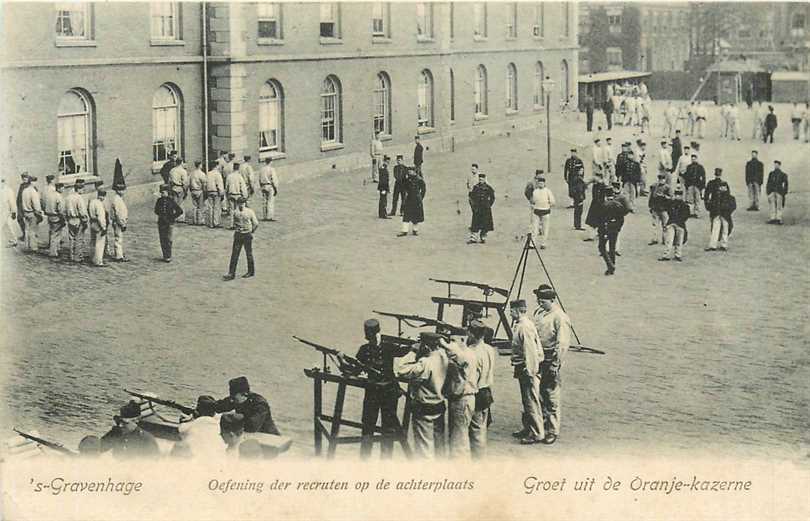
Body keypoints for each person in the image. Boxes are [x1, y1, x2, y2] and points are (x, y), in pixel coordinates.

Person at [342, 319, 410, 458]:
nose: (371, 339)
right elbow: (354, 369)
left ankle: (384, 461)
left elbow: (404, 351)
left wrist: (414, 346)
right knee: (368, 426)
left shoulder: (386, 347)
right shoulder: (366, 349)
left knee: (387, 428)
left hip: (388, 392)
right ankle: (365, 460)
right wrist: (341, 360)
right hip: (373, 392)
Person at [395, 332, 449, 458]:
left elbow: (401, 370)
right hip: (439, 405)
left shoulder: (425, 363)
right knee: (439, 447)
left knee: (424, 448)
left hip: (424, 408)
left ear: (426, 346)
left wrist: (413, 351)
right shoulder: (443, 356)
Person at [532, 285, 571, 445]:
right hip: (538, 356)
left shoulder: (560, 317)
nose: (540, 303)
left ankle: (552, 430)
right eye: (539, 300)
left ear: (552, 300)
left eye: (543, 300)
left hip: (550, 358)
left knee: (551, 395)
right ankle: (536, 426)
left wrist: (556, 364)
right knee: (536, 392)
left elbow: (562, 344)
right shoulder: (540, 312)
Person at [439, 327, 478, 458]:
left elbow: (454, 352)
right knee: (457, 436)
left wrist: (441, 342)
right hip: (462, 398)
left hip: (463, 399)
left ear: (463, 340)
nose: (451, 344)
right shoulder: (468, 353)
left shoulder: (465, 355)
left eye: (453, 340)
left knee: (458, 441)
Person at [509, 299, 545, 445]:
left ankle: (537, 433)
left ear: (518, 311)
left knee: (531, 401)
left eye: (511, 311)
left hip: (528, 368)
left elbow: (530, 351)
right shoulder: (522, 324)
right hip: (523, 367)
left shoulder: (524, 327)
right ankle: (528, 427)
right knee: (527, 400)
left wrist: (530, 372)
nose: (510, 313)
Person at [214, 376, 281, 435]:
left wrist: (233, 418)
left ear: (245, 394)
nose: (231, 400)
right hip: (253, 435)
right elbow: (219, 407)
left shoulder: (260, 404)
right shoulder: (237, 398)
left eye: (234, 398)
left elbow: (252, 426)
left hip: (269, 436)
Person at [467, 320, 495, 459]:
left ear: (472, 334)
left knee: (475, 430)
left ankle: (477, 461)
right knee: (481, 427)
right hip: (487, 391)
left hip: (477, 392)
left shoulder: (472, 352)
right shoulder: (489, 349)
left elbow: (472, 379)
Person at [223, 197, 258, 280]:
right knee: (236, 254)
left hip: (245, 234)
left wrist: (251, 231)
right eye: (240, 203)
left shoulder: (248, 212)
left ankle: (250, 271)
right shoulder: (237, 212)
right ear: (238, 204)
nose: (241, 205)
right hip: (240, 234)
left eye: (242, 203)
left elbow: (256, 223)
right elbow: (233, 223)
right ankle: (232, 273)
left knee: (247, 253)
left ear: (245, 203)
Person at [599, 183, 630, 275]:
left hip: (606, 228)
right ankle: (612, 265)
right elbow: (622, 218)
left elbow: (601, 219)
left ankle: (610, 265)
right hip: (615, 228)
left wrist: (602, 230)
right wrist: (618, 227)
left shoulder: (604, 205)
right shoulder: (618, 205)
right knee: (612, 247)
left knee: (602, 248)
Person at [659, 186, 690, 262]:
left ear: (681, 196)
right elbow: (665, 207)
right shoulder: (671, 203)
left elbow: (686, 216)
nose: (677, 197)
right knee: (669, 240)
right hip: (672, 223)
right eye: (676, 195)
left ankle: (678, 255)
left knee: (679, 241)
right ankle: (666, 255)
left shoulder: (685, 205)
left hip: (680, 224)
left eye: (679, 195)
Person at [154, 184, 183, 262]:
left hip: (169, 223)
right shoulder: (159, 201)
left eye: (164, 192)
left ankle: (168, 255)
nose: (162, 194)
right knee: (162, 239)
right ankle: (165, 255)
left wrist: (172, 217)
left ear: (168, 192)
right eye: (161, 192)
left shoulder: (171, 201)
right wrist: (161, 214)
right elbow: (156, 210)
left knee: (168, 239)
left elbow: (179, 211)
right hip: (161, 223)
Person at [526, 172, 555, 249]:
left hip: (545, 212)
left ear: (544, 183)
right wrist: (534, 205)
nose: (541, 184)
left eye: (542, 183)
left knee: (545, 229)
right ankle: (532, 244)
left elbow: (552, 201)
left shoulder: (548, 191)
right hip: (537, 212)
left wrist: (547, 205)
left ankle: (543, 243)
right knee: (534, 229)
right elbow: (532, 200)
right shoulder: (535, 191)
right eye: (539, 183)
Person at [705, 183, 736, 251]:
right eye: (721, 187)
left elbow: (733, 207)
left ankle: (723, 245)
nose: (722, 188)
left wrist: (727, 211)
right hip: (718, 215)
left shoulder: (729, 197)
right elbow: (710, 205)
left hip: (725, 216)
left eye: (724, 187)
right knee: (715, 230)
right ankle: (713, 245)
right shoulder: (716, 197)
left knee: (725, 230)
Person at [65, 179, 89, 262]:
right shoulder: (79, 198)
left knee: (71, 238)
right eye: (82, 189)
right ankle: (77, 256)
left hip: (70, 219)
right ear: (79, 189)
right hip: (78, 219)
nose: (83, 190)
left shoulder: (68, 197)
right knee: (79, 239)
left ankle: (71, 255)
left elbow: (65, 209)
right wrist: (85, 221)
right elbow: (82, 212)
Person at [397, 168, 426, 237]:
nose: (409, 173)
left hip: (416, 199)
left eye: (410, 171)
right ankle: (404, 231)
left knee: (416, 215)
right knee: (406, 214)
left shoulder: (419, 179)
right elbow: (404, 186)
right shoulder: (408, 179)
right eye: (408, 172)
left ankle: (415, 230)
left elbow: (423, 189)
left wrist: (420, 198)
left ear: (414, 172)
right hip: (409, 199)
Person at [468, 172, 495, 244]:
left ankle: (483, 237)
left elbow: (492, 197)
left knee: (485, 224)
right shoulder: (476, 187)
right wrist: (473, 206)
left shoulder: (488, 188)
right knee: (475, 224)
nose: (481, 180)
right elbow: (471, 197)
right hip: (477, 209)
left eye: (482, 179)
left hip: (486, 209)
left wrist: (489, 205)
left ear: (484, 179)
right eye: (480, 179)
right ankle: (473, 238)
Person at [43, 177, 66, 259]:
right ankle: (53, 252)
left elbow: (44, 203)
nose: (63, 190)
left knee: (53, 233)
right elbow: (61, 210)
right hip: (57, 217)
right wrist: (63, 219)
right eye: (62, 188)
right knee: (56, 235)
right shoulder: (59, 197)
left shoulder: (49, 195)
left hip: (50, 216)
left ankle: (55, 249)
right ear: (59, 188)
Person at [583, 171, 609, 242]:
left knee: (600, 222)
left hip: (600, 205)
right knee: (594, 222)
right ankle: (594, 235)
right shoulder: (596, 185)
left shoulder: (603, 186)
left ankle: (601, 234)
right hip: (595, 205)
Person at [648, 173, 672, 246]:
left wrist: (663, 196)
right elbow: (651, 197)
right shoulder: (654, 186)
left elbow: (671, 198)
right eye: (660, 179)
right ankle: (654, 239)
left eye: (662, 179)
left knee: (665, 225)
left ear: (665, 180)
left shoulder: (668, 188)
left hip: (664, 209)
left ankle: (665, 240)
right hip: (655, 208)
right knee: (655, 225)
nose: (661, 181)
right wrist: (650, 207)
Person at [87, 189, 108, 267]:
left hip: (92, 222)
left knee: (93, 241)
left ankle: (92, 257)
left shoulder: (92, 202)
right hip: (98, 224)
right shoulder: (99, 204)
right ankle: (98, 261)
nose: (102, 198)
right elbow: (101, 217)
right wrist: (104, 227)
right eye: (102, 196)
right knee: (100, 243)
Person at [766, 160, 789, 225]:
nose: (776, 166)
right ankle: (772, 218)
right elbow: (768, 183)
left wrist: (784, 193)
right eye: (775, 164)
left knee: (779, 206)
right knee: (772, 205)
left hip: (779, 192)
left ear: (779, 165)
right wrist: (768, 192)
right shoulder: (771, 174)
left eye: (777, 164)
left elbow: (786, 184)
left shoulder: (783, 175)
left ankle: (779, 218)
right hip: (772, 192)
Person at [225, 163, 247, 229]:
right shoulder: (240, 177)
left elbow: (226, 187)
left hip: (231, 194)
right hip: (238, 195)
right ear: (238, 168)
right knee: (239, 210)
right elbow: (243, 187)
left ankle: (232, 225)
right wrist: (245, 196)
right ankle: (239, 224)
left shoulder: (229, 176)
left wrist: (227, 194)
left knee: (232, 210)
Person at [258, 157, 279, 222]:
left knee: (264, 201)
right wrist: (275, 188)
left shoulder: (262, 169)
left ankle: (264, 216)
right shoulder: (271, 169)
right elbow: (273, 180)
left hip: (263, 185)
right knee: (270, 201)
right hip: (270, 186)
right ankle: (270, 216)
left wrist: (261, 186)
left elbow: (259, 179)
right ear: (270, 162)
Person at [204, 161, 225, 228]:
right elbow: (219, 185)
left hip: (209, 191)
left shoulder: (208, 173)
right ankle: (216, 222)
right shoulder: (217, 174)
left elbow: (205, 183)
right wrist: (221, 193)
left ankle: (210, 223)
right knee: (216, 207)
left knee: (210, 207)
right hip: (216, 192)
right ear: (216, 166)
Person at [188, 160, 206, 226]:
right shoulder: (202, 174)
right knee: (200, 206)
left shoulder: (191, 173)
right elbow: (204, 183)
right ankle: (200, 220)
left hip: (193, 190)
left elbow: (189, 182)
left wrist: (190, 189)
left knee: (194, 206)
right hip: (199, 190)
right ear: (200, 165)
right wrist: (204, 191)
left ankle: (194, 220)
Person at [1, 176, 17, 248]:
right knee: (7, 225)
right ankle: (12, 240)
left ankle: (13, 240)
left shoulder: (8, 190)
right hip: (2, 210)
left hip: (6, 210)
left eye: (2, 181)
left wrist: (13, 212)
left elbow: (12, 201)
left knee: (6, 225)